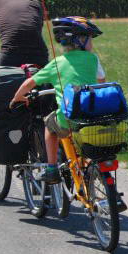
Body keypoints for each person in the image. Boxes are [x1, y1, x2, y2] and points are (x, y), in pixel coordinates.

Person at [9, 16, 106, 185]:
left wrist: (17, 97)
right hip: (93, 115)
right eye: (90, 39)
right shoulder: (93, 59)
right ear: (80, 40)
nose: (92, 43)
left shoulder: (57, 63)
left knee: (50, 126)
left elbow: (30, 82)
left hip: (69, 119)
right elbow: (101, 82)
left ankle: (52, 169)